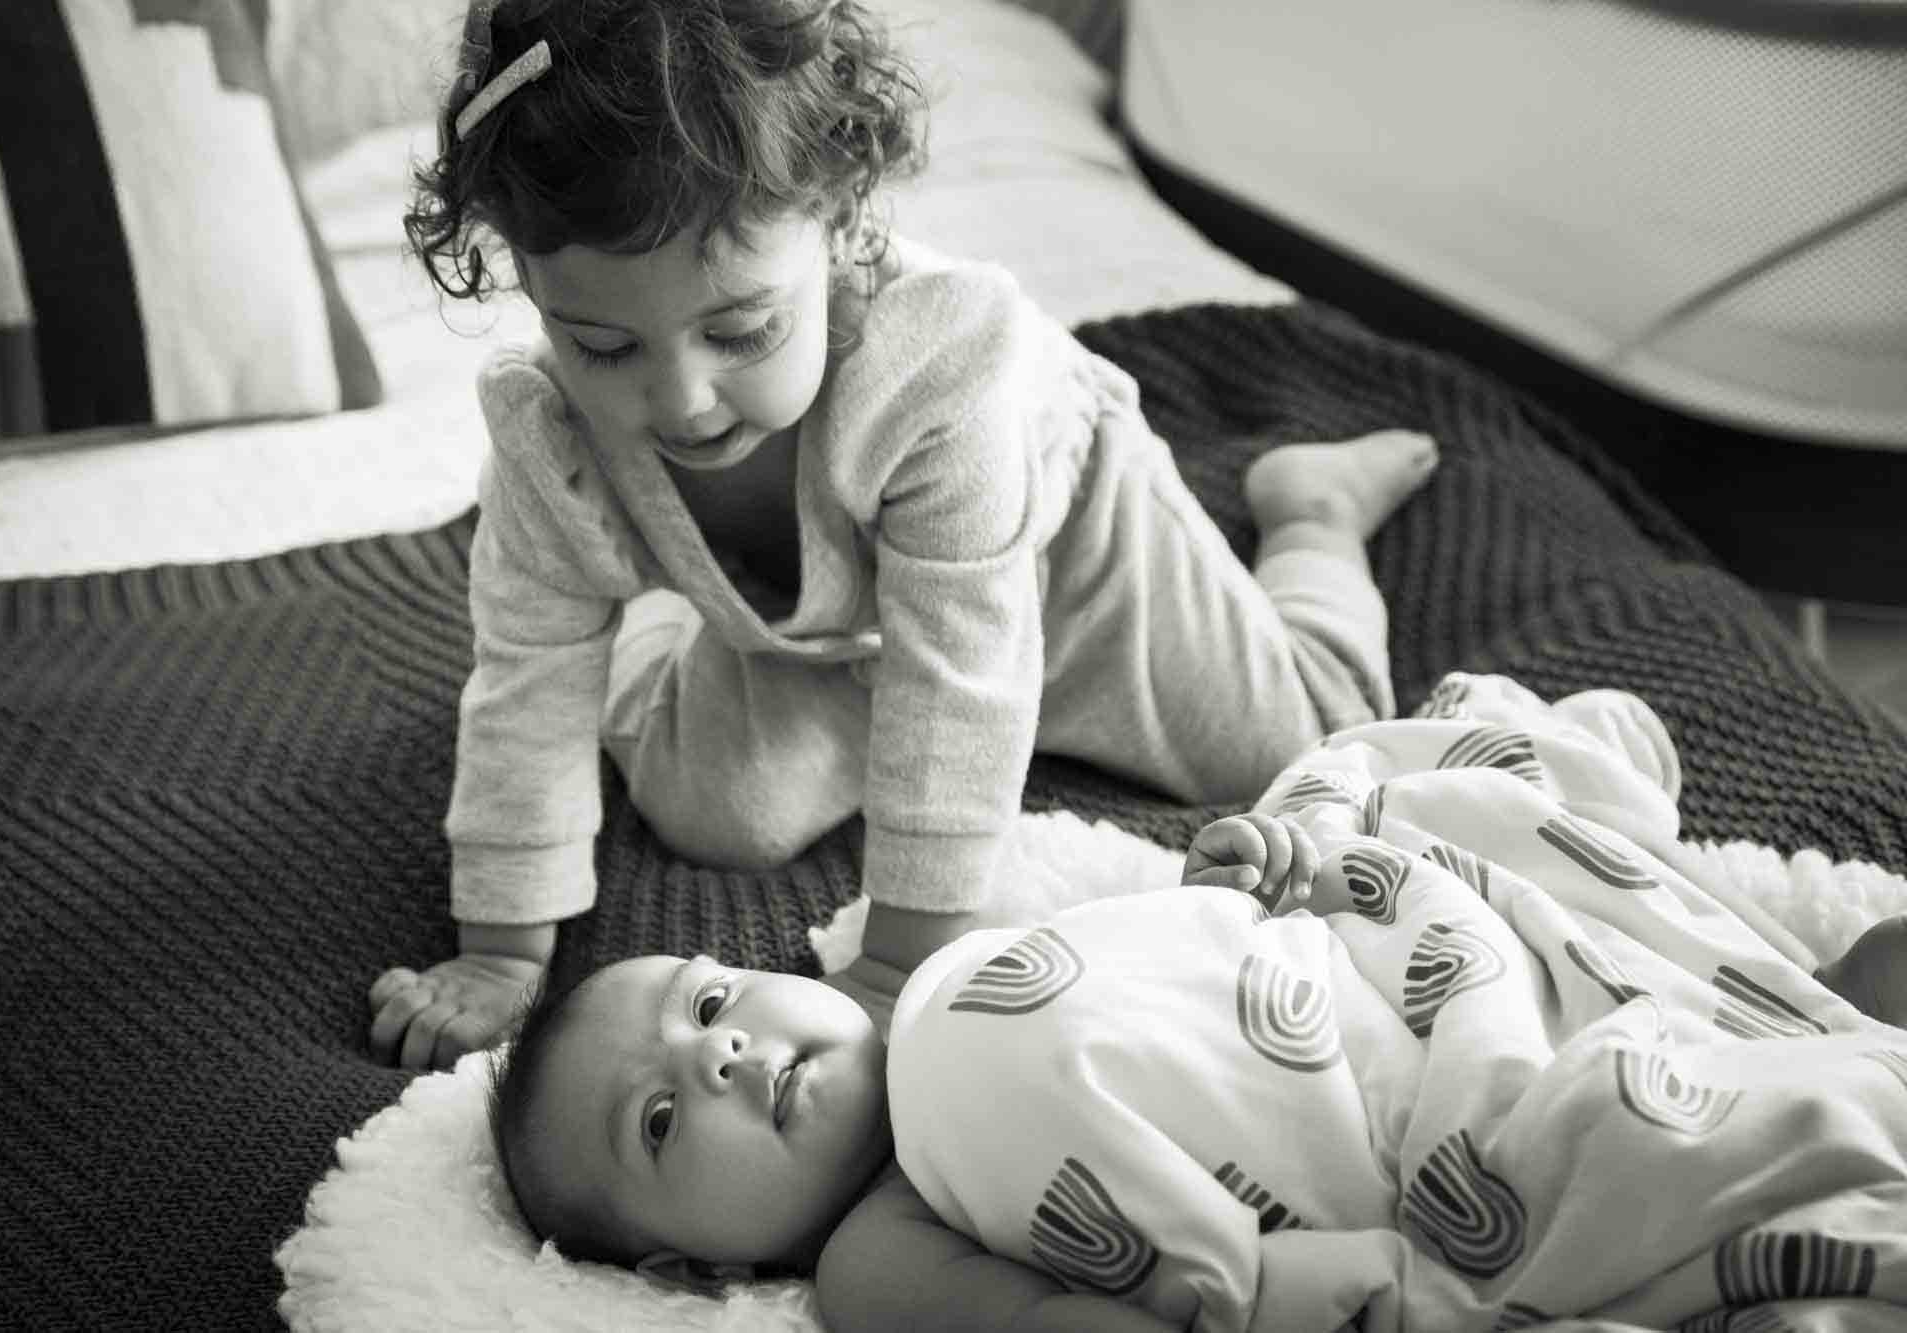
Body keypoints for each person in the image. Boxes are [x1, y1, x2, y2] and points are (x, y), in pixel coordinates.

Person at [365, 0, 1440, 1072]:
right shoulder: (547, 434)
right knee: (718, 815)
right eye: (599, 344)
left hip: (1070, 565)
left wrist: (898, 960)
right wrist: (502, 953)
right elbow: (527, 671)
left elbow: (960, 669)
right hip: (823, 631)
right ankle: (644, 622)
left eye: (739, 330)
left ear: (838, 217)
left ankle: (1312, 512)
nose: (682, 400)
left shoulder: (937, 365)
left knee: (1309, 744)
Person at [484, 675, 1907, 1333]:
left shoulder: (943, 981)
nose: (725, 1051)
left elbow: (1192, 962)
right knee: (1697, 1130)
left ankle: (1785, 1008)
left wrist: (1263, 861)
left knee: (1369, 782)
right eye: (663, 1117)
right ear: (688, 1271)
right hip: (1451, 1145)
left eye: (710, 996)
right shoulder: (880, 1253)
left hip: (1416, 975)